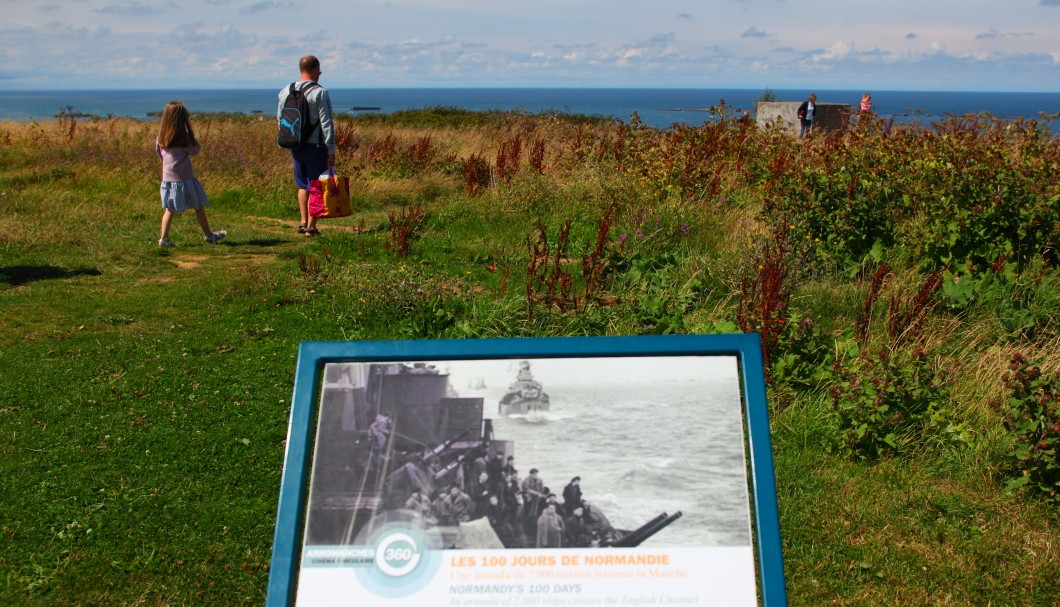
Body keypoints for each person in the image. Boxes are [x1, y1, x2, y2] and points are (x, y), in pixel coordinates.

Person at [277, 55, 336, 238]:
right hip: (316, 145)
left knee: (302, 185)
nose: (320, 74)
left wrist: (290, 140)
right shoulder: (319, 92)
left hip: (295, 145)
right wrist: (331, 149)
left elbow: (280, 119)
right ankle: (311, 227)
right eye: (319, 70)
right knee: (316, 185)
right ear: (315, 69)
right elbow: (326, 122)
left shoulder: (286, 90)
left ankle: (303, 222)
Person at [155, 101, 225, 247]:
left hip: (168, 179)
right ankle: (209, 235)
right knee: (198, 206)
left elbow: (159, 153)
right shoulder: (184, 138)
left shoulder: (161, 137)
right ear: (183, 119)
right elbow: (195, 150)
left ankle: (163, 239)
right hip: (185, 178)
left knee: (169, 210)